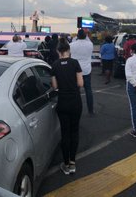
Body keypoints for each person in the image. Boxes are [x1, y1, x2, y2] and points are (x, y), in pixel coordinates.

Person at [51, 42, 84, 175]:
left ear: (59, 52)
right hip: (75, 101)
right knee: (74, 131)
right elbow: (80, 83)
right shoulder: (75, 63)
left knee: (65, 133)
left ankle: (65, 164)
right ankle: (72, 163)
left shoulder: (55, 65)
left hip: (63, 102)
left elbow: (54, 86)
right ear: (69, 51)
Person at [69, 29, 96, 116]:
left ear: (77, 36)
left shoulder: (71, 45)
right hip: (86, 70)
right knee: (88, 90)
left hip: (75, 70)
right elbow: (87, 39)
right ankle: (90, 110)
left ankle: (75, 110)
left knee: (75, 91)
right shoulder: (90, 44)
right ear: (85, 36)